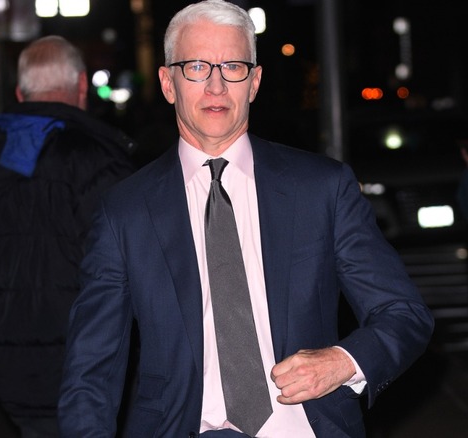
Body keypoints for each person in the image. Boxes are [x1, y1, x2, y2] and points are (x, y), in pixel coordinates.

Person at [58, 1, 435, 436]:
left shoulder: (320, 189)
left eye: (233, 66)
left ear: (254, 82)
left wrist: (342, 362)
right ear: (168, 82)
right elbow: (90, 373)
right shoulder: (124, 212)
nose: (216, 86)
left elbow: (404, 313)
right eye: (197, 67)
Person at [0, 34, 136, 437]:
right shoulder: (97, 160)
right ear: (80, 86)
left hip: (8, 373)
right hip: (91, 379)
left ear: (21, 92)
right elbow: (133, 276)